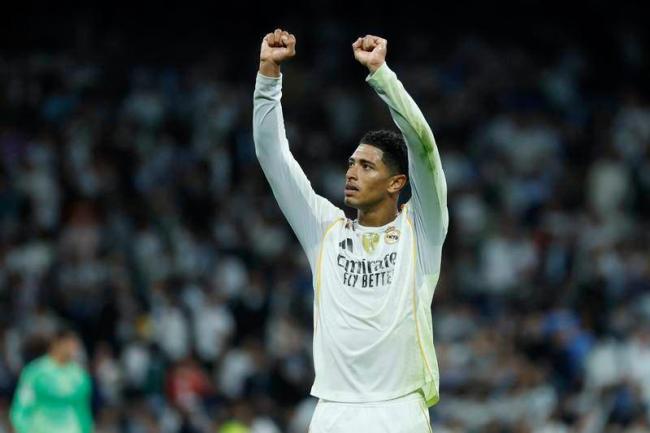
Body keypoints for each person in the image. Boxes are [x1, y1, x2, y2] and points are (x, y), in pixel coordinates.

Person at [253, 28, 448, 432]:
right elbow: (273, 157)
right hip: (333, 410)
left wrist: (382, 76)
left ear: (396, 183)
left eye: (366, 166)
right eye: (351, 164)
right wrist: (268, 75)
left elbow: (423, 147)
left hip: (399, 409)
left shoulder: (421, 230)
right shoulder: (324, 230)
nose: (351, 173)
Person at [10, 326, 93, 433]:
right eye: (68, 343)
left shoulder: (80, 376)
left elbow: (83, 410)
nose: (72, 348)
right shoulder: (35, 372)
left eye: (74, 344)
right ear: (56, 343)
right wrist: (20, 429)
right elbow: (22, 405)